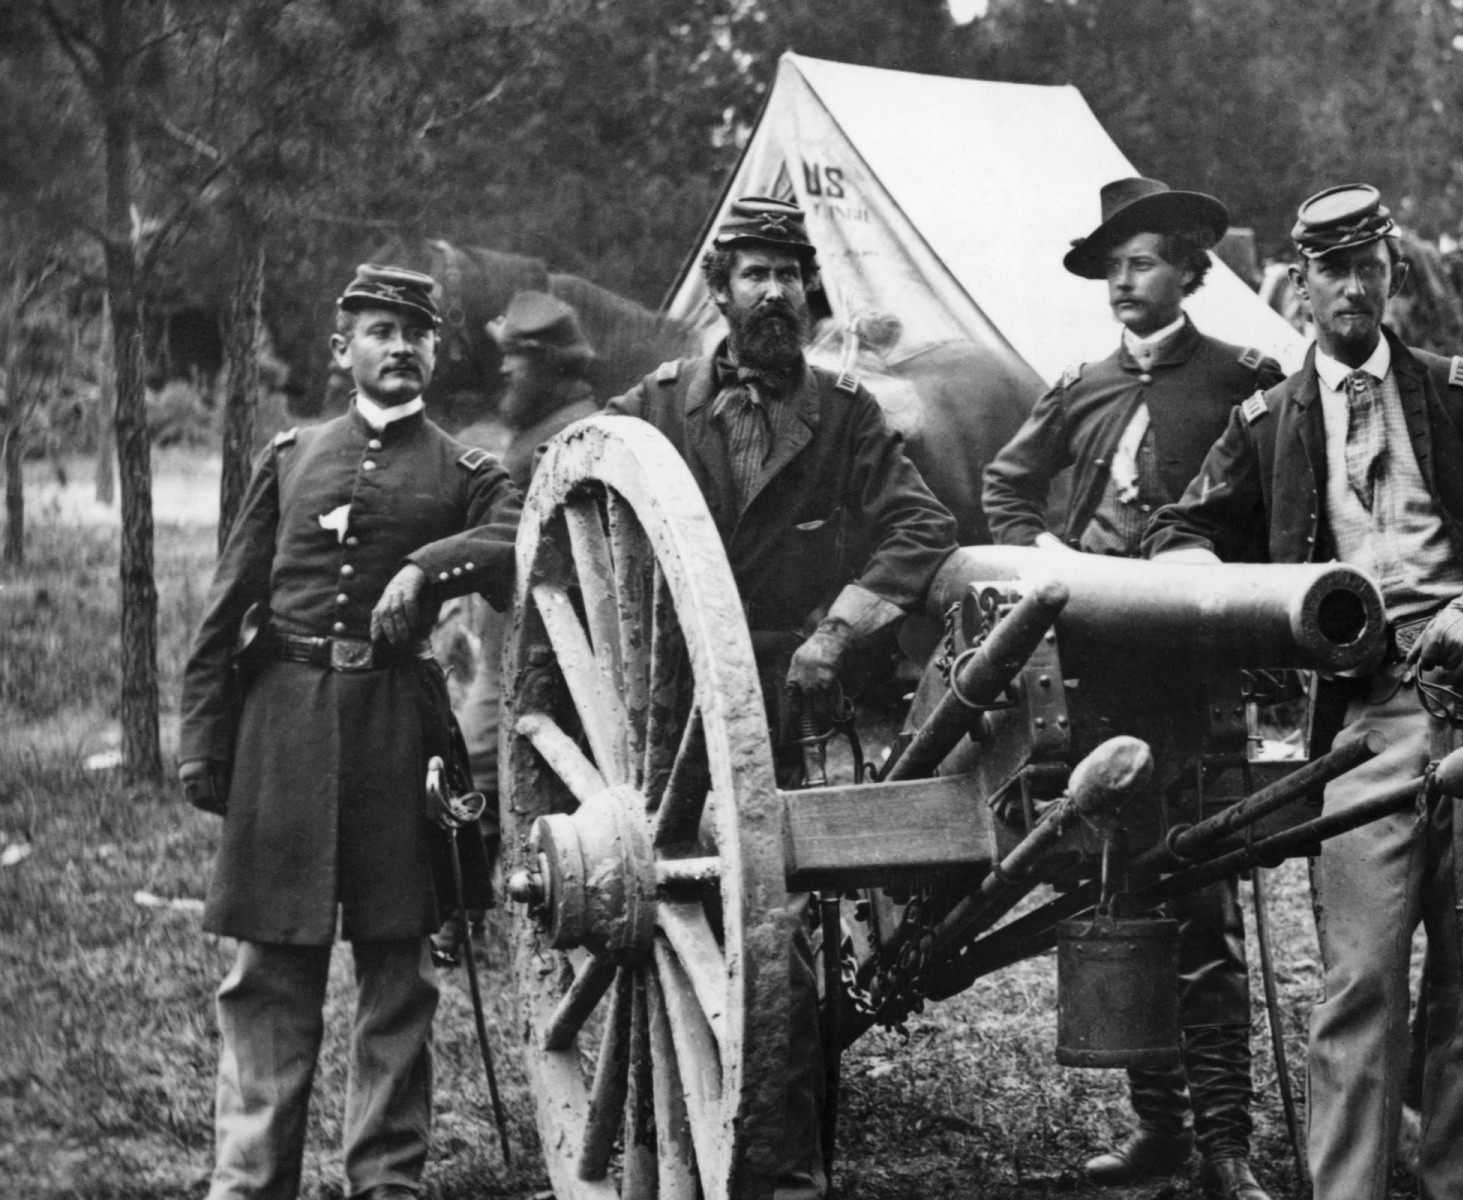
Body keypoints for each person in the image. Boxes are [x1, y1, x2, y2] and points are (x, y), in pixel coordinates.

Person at [1144, 184, 1463, 1200]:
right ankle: (1348, 1189)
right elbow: (1181, 531)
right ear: (1301, 288)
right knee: (1361, 975)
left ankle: (1461, 1183)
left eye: (1369, 268)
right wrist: (1232, 599)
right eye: (1332, 272)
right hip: (1366, 722)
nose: (1353, 288)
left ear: (1391, 274)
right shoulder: (1268, 424)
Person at [605, 195, 958, 1200]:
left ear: (811, 295)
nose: (772, 292)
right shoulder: (656, 409)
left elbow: (920, 528)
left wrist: (839, 630)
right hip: (670, 716)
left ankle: (787, 1175)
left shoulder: (845, 419)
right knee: (668, 933)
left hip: (791, 707)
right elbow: (578, 502)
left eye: (788, 274)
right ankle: (663, 1162)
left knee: (784, 952)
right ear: (720, 291)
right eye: (753, 272)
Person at [177, 264, 522, 1200]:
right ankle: (247, 1181)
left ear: (437, 353)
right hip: (281, 735)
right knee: (267, 978)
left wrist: (428, 566)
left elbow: (516, 539)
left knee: (399, 978)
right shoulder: (290, 458)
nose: (398, 347)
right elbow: (226, 609)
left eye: (414, 334)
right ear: (344, 351)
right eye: (378, 331)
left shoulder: (467, 472)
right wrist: (206, 741)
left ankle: (386, 1183)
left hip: (396, 742)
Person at [981, 176, 1285, 1200]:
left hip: (1198, 684)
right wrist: (1048, 562)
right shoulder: (1076, 388)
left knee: (1206, 915)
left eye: (1143, 260)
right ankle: (1159, 1130)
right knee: (1129, 899)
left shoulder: (1246, 382)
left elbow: (1280, 510)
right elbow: (1004, 490)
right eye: (1111, 267)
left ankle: (1226, 1147)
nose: (1123, 280)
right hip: (1102, 684)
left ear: (1192, 272)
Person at [434, 291, 602, 965]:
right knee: (480, 766)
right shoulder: (537, 431)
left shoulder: (572, 434)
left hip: (552, 644)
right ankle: (464, 919)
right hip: (516, 632)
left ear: (556, 368)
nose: (504, 374)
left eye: (518, 362)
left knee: (481, 766)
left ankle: (463, 923)